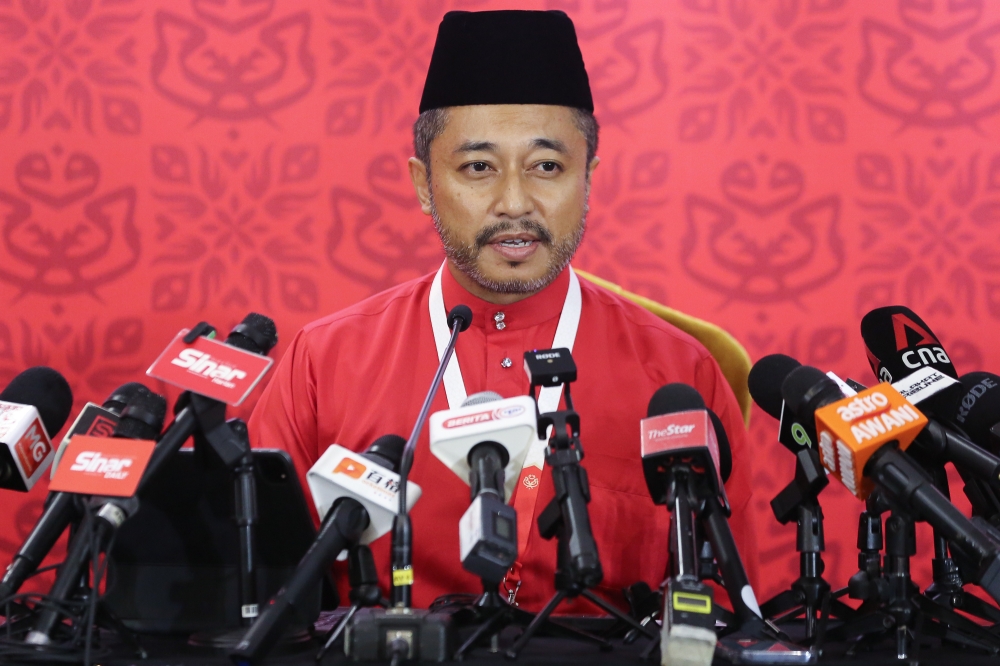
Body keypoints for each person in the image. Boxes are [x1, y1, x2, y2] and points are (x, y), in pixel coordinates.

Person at [249, 9, 756, 613]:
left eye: (547, 167)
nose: (514, 202)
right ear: (422, 184)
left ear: (588, 179)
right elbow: (265, 598)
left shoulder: (680, 373)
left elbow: (730, 614)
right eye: (478, 168)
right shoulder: (324, 362)